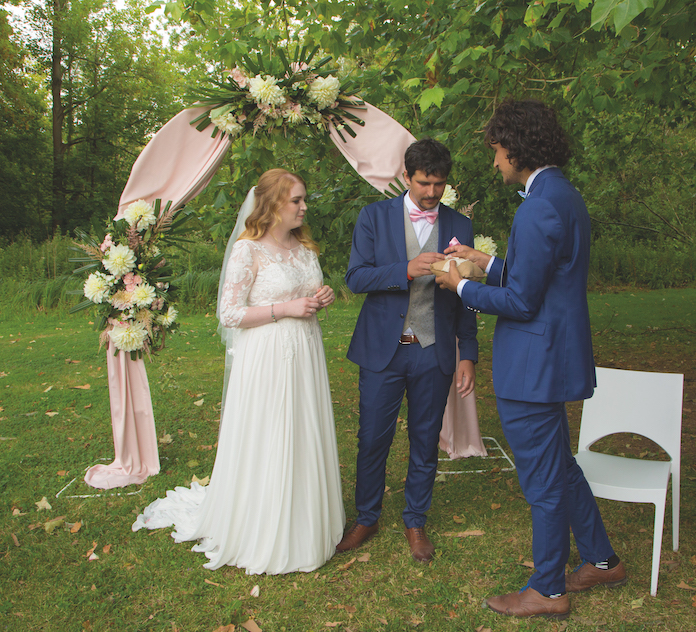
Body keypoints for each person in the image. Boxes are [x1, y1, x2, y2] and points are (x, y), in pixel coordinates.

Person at [436, 100, 626, 619]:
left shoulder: (539, 205)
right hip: (551, 356)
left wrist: (461, 284)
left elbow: (521, 301)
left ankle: (547, 589)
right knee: (560, 468)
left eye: (497, 151)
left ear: (517, 147)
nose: (495, 162)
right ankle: (603, 561)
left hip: (533, 365)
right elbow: (540, 276)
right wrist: (487, 262)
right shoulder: (561, 194)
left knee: (543, 481)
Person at [132, 168, 345, 574]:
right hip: (266, 356)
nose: (304, 207)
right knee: (271, 433)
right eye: (296, 200)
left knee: (303, 429)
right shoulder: (248, 251)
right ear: (272, 205)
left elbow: (304, 295)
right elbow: (229, 313)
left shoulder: (304, 249)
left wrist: (321, 296)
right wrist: (287, 308)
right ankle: (263, 527)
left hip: (305, 353)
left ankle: (306, 520)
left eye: (304, 199)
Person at [338, 138, 478, 562]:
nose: (432, 192)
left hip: (432, 351)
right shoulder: (373, 217)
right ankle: (367, 516)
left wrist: (468, 352)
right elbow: (356, 278)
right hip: (384, 349)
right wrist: (404, 270)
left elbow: (466, 295)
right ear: (405, 176)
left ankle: (415, 520)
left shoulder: (460, 224)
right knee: (371, 439)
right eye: (423, 183)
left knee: (424, 439)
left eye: (438, 184)